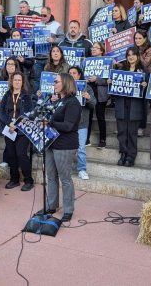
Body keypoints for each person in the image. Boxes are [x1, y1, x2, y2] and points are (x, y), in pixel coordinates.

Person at [44, 73, 81, 222]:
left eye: (56, 81)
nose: (54, 84)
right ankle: (52, 205)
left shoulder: (72, 103)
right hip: (52, 143)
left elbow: (68, 125)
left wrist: (50, 123)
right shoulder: (60, 101)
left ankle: (68, 209)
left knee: (65, 178)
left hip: (65, 145)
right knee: (51, 176)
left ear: (65, 83)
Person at [109, 47, 147, 167]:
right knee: (121, 132)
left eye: (133, 54)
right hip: (121, 104)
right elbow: (114, 90)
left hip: (135, 106)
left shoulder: (144, 71)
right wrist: (111, 83)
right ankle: (123, 153)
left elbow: (148, 92)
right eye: (129, 55)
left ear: (137, 56)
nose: (131, 57)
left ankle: (131, 156)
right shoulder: (121, 70)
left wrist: (145, 86)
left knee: (131, 132)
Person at [0, 71, 34, 191]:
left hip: (22, 130)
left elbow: (29, 113)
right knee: (11, 155)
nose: (17, 82)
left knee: (21, 154)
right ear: (11, 82)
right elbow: (1, 111)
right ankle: (14, 179)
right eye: (15, 80)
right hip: (8, 129)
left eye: (19, 80)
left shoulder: (26, 95)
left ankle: (29, 180)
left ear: (22, 82)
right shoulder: (7, 94)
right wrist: (9, 123)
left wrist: (17, 124)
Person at [69, 66, 95, 180]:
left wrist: (89, 98)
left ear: (79, 75)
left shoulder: (87, 87)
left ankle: (82, 169)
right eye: (70, 73)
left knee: (81, 149)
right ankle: (65, 169)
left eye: (74, 73)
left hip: (81, 123)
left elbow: (93, 104)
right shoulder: (63, 87)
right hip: (67, 123)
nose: (72, 75)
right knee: (66, 148)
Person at [33, 6, 65, 93]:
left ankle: (48, 100)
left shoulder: (57, 25)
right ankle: (36, 100)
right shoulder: (37, 25)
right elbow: (32, 39)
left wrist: (53, 40)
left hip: (49, 58)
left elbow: (62, 38)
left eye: (44, 15)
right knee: (37, 80)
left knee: (49, 80)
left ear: (50, 15)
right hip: (38, 58)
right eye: (41, 15)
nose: (42, 17)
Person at [86, 42, 109, 148]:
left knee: (100, 116)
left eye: (96, 48)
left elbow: (108, 81)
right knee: (88, 116)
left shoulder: (107, 62)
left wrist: (97, 79)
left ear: (101, 51)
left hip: (100, 93)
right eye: (92, 48)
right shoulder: (87, 62)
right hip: (89, 91)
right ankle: (86, 139)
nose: (93, 49)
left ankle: (102, 140)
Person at [134, 30, 151, 137]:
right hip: (134, 77)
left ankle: (141, 127)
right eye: (136, 38)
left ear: (145, 39)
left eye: (140, 38)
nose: (137, 40)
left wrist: (136, 54)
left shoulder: (150, 49)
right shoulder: (133, 49)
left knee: (143, 104)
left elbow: (145, 63)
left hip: (146, 78)